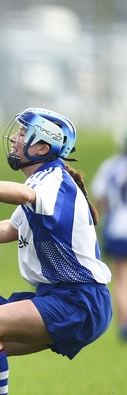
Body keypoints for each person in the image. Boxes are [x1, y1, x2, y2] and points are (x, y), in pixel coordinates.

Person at [0, 107, 112, 395]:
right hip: (61, 297)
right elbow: (12, 228)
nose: (15, 139)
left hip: (80, 300)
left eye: (22, 133)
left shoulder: (52, 179)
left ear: (43, 147)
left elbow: (24, 195)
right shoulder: (42, 182)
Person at [91, 130, 127, 341]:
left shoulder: (111, 166)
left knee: (121, 277)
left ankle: (124, 323)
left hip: (117, 227)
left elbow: (101, 200)